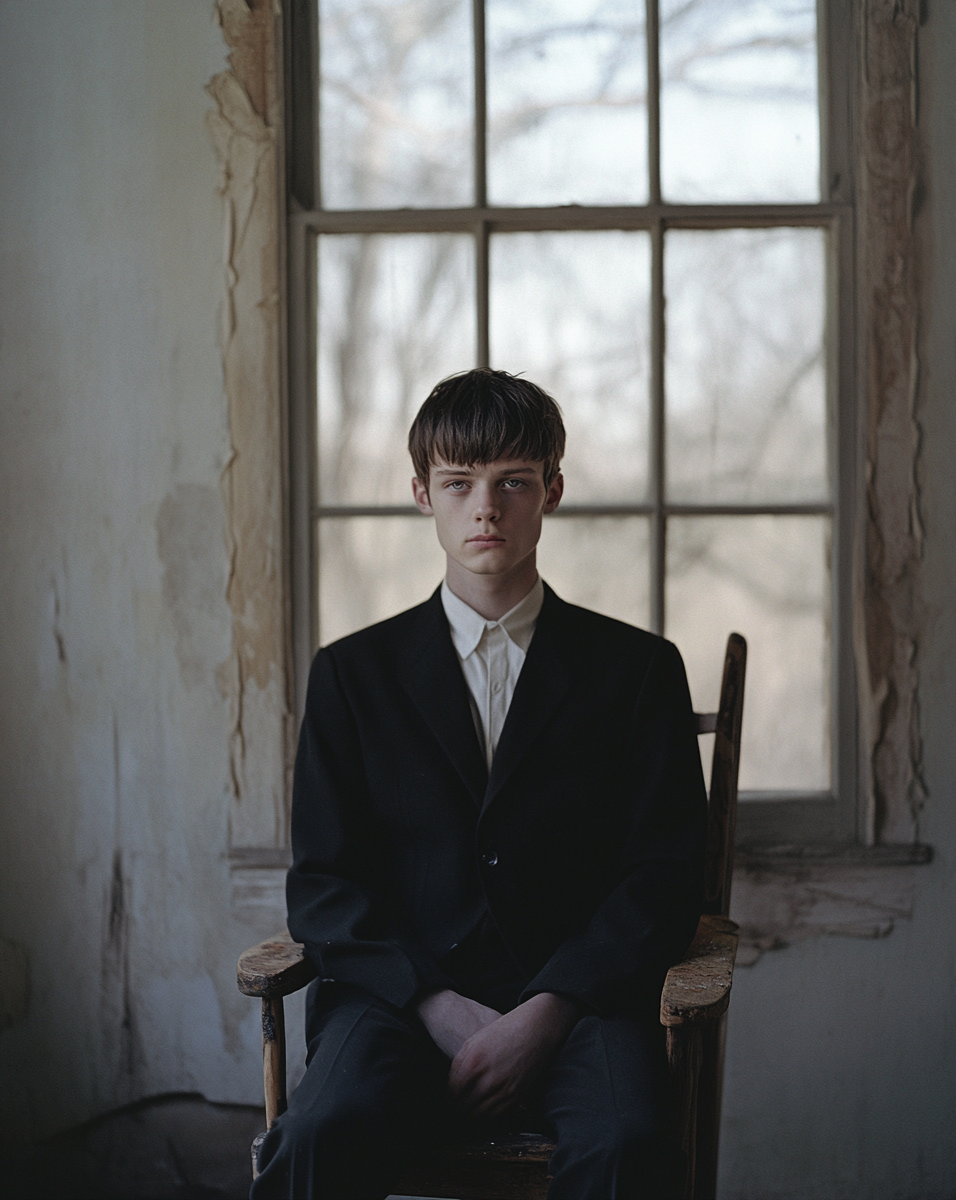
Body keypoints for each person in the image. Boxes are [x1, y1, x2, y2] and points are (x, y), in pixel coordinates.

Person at [251, 368, 708, 1199]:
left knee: (628, 1147)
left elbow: (666, 875)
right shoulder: (353, 675)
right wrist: (436, 1005)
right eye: (459, 484)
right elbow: (324, 886)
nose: (486, 508)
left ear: (553, 491)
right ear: (422, 492)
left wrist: (551, 1009)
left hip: (583, 1004)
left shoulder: (638, 670)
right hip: (398, 1000)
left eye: (513, 483)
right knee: (313, 1139)